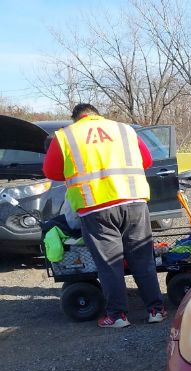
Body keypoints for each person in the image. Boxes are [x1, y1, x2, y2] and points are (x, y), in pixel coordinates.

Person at [43, 103, 166, 328]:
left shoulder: (65, 136)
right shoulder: (124, 129)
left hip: (95, 206)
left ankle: (118, 316)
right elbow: (146, 160)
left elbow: (51, 172)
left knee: (110, 264)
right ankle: (156, 310)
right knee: (143, 258)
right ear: (97, 115)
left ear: (76, 119)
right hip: (134, 201)